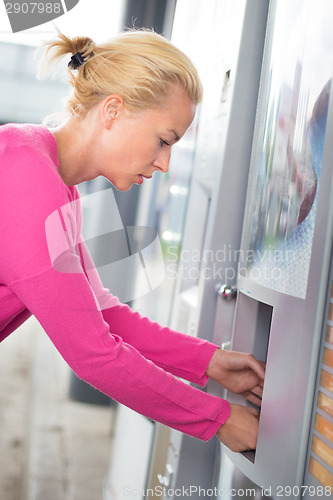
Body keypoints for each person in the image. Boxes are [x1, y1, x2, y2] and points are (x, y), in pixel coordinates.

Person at [0, 29, 264, 453]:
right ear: (113, 110)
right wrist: (219, 419)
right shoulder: (26, 178)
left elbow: (102, 313)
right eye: (164, 140)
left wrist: (209, 362)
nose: (164, 163)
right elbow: (94, 353)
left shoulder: (51, 181)